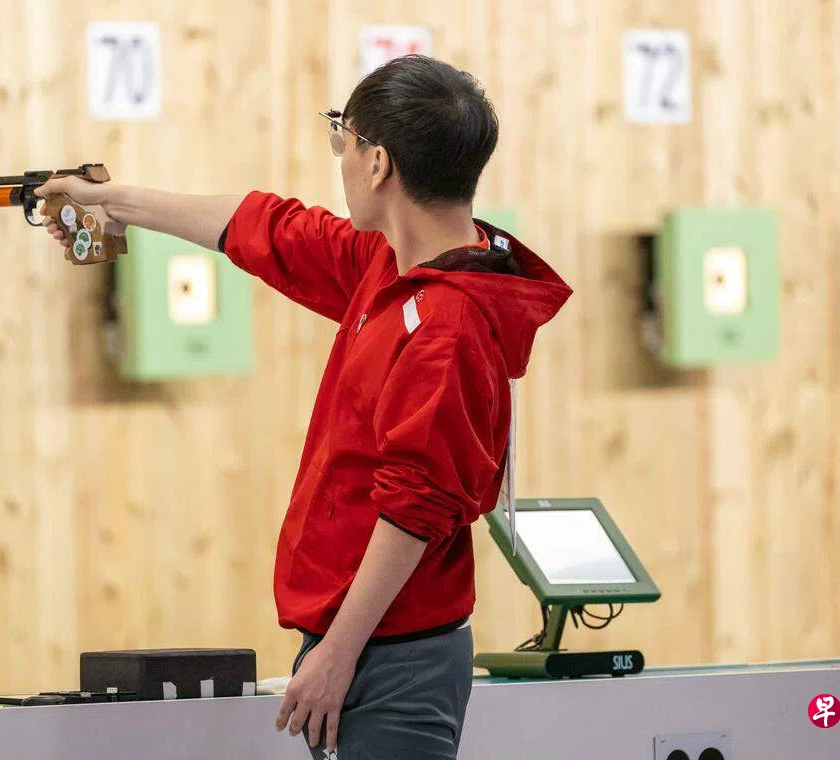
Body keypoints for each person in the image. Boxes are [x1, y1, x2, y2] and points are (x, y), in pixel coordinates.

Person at [36, 54, 572, 760]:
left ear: (377, 164)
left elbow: (415, 508)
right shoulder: (390, 266)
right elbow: (266, 227)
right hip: (371, 644)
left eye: (341, 139)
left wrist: (337, 654)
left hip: (388, 654)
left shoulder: (447, 325)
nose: (338, 158)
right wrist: (112, 202)